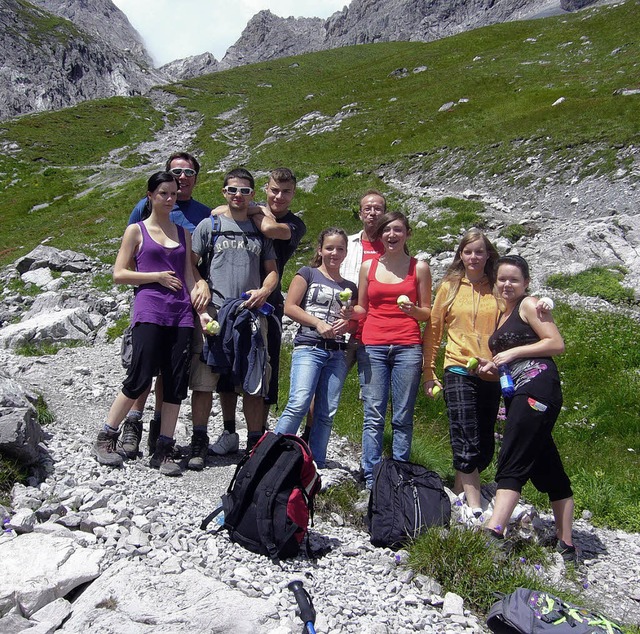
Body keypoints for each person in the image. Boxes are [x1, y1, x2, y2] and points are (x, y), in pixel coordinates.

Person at [93, 172, 203, 476]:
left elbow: (189, 275)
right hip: (150, 310)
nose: (169, 198)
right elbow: (119, 273)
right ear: (150, 195)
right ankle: (106, 436)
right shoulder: (136, 231)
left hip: (181, 313)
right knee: (140, 376)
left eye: (173, 193)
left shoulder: (184, 233)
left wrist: (201, 309)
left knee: (175, 381)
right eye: (163, 193)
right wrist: (154, 277)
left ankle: (163, 449)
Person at [479, 255, 576, 563]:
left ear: (526, 283)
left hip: (538, 387)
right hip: (519, 391)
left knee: (513, 452)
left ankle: (495, 531)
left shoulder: (529, 305)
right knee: (547, 465)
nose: (507, 285)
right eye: (502, 279)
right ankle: (567, 544)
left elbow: (555, 343)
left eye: (514, 280)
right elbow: (508, 362)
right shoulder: (503, 315)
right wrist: (490, 368)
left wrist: (513, 351)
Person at [211, 168, 307, 456]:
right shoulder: (253, 208)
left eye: (286, 192)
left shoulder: (294, 224)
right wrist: (253, 206)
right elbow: (218, 209)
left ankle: (257, 435)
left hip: (269, 302)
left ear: (293, 194)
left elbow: (268, 230)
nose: (279, 196)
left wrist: (254, 209)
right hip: (232, 298)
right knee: (228, 364)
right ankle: (229, 431)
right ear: (266, 188)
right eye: (274, 190)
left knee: (263, 369)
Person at [121, 152, 211, 459]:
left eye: (188, 172)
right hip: (151, 299)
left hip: (185, 300)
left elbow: (197, 262)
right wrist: (152, 280)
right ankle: (132, 423)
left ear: (196, 178)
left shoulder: (203, 214)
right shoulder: (143, 209)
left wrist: (201, 284)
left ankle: (160, 433)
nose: (182, 177)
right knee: (144, 367)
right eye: (176, 172)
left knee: (172, 372)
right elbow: (134, 251)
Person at [189, 167, 278, 464]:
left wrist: (264, 292)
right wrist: (200, 286)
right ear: (223, 193)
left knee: (253, 378)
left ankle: (253, 445)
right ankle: (198, 441)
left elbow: (272, 272)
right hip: (214, 311)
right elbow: (190, 264)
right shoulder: (208, 226)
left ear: (252, 194)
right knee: (204, 379)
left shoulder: (259, 230)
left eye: (244, 191)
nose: (237, 195)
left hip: (251, 314)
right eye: (232, 190)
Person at [422, 229, 502, 518]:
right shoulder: (450, 286)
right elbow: (433, 329)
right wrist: (429, 370)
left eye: (479, 251)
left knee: (483, 442)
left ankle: (458, 494)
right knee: (464, 431)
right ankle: (476, 508)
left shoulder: (497, 287)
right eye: (467, 251)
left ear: (488, 254)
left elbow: (514, 321)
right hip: (457, 366)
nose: (473, 257)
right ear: (460, 255)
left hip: (491, 370)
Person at [353, 211, 432, 488]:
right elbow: (363, 308)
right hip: (372, 344)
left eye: (398, 230)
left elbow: (427, 314)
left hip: (407, 346)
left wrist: (414, 310)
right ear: (380, 235)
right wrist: (350, 313)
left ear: (407, 234)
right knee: (373, 413)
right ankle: (371, 476)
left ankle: (399, 471)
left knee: (402, 414)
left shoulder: (418, 268)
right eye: (387, 230)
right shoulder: (368, 267)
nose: (392, 235)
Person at [301, 189, 385, 441]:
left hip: (377, 330)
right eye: (367, 208)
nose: (372, 212)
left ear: (384, 212)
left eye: (378, 208)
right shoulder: (345, 244)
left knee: (372, 396)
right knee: (322, 387)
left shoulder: (392, 244)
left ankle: (368, 449)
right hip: (342, 329)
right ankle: (308, 437)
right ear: (360, 213)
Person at [274, 228, 358, 467]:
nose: (334, 253)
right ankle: (272, 453)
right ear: (320, 250)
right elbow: (290, 307)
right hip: (309, 347)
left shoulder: (350, 285)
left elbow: (353, 318)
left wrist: (348, 320)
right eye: (329, 248)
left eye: (340, 249)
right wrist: (317, 323)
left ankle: (315, 462)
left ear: (346, 253)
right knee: (299, 402)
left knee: (326, 411)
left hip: (338, 351)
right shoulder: (307, 273)